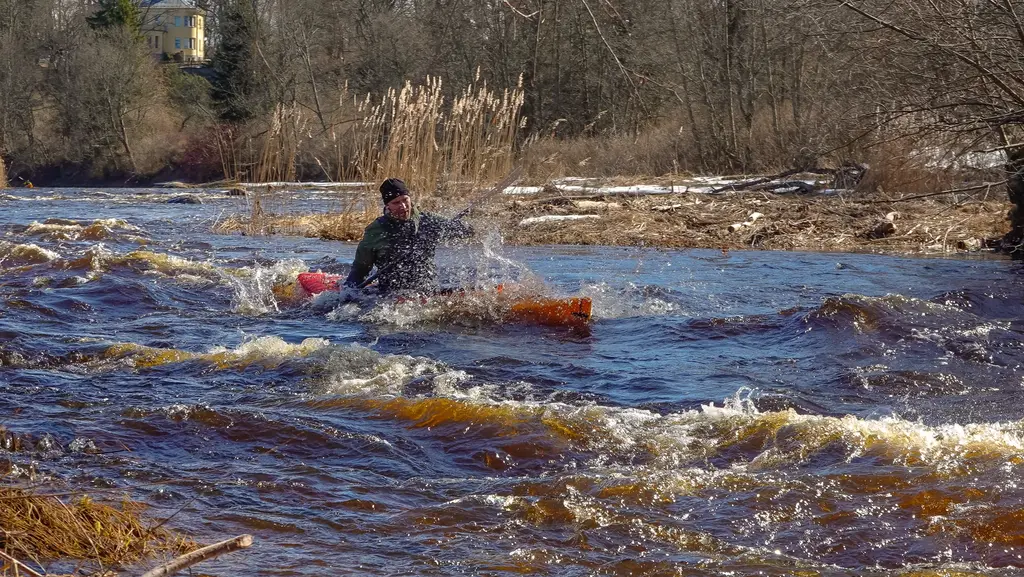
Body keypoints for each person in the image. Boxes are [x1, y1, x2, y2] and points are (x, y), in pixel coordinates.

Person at [344, 178, 474, 293]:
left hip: (427, 288)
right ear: (387, 205)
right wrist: (349, 292)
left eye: (405, 200)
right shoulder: (376, 231)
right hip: (390, 294)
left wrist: (457, 227)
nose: (403, 206)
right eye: (396, 203)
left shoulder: (428, 221)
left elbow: (468, 232)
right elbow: (359, 269)